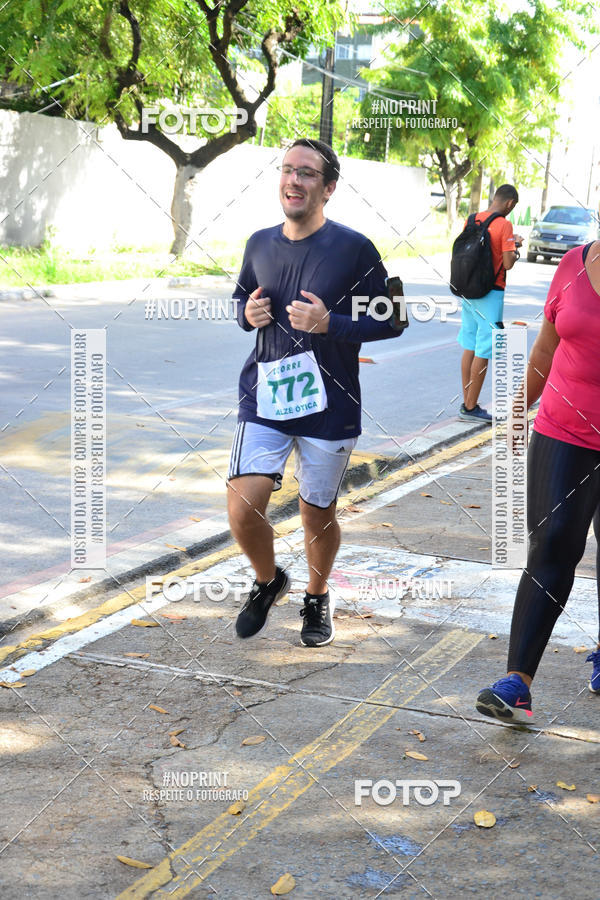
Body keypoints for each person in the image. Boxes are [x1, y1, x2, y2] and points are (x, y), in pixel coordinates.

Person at [227, 139, 403, 647]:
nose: (293, 181)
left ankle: (317, 596)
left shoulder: (354, 248)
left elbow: (392, 319)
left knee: (315, 511)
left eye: (307, 174)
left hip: (331, 403)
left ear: (328, 188)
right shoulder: (259, 242)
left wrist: (332, 324)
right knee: (243, 503)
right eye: (287, 170)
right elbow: (242, 295)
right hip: (264, 394)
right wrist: (245, 314)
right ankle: (268, 580)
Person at [476, 238, 600, 723]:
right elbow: (547, 347)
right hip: (562, 429)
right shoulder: (574, 262)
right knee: (550, 544)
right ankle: (517, 683)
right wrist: (515, 408)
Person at [457, 184, 524, 423]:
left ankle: (467, 402)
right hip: (491, 293)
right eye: (513, 207)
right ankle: (471, 406)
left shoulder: (472, 218)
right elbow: (507, 263)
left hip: (467, 289)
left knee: (470, 345)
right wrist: (515, 248)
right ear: (509, 203)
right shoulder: (504, 224)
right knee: (484, 349)